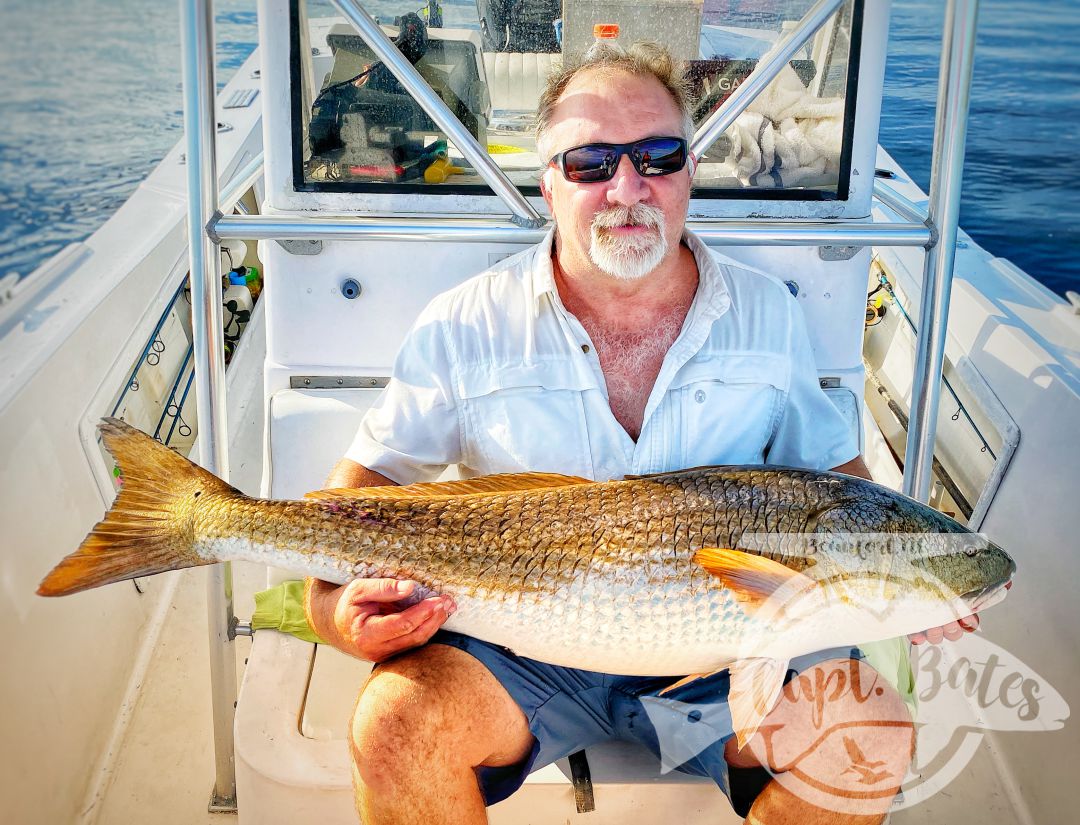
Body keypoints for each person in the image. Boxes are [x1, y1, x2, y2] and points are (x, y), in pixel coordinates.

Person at [303, 41, 973, 824]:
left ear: (690, 171)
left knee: (871, 735)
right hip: (523, 654)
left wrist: (912, 581)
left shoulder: (765, 313)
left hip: (727, 658)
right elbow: (348, 510)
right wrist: (335, 615)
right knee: (394, 725)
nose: (630, 186)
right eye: (590, 162)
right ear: (547, 182)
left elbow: (845, 492)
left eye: (657, 155)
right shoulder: (465, 324)